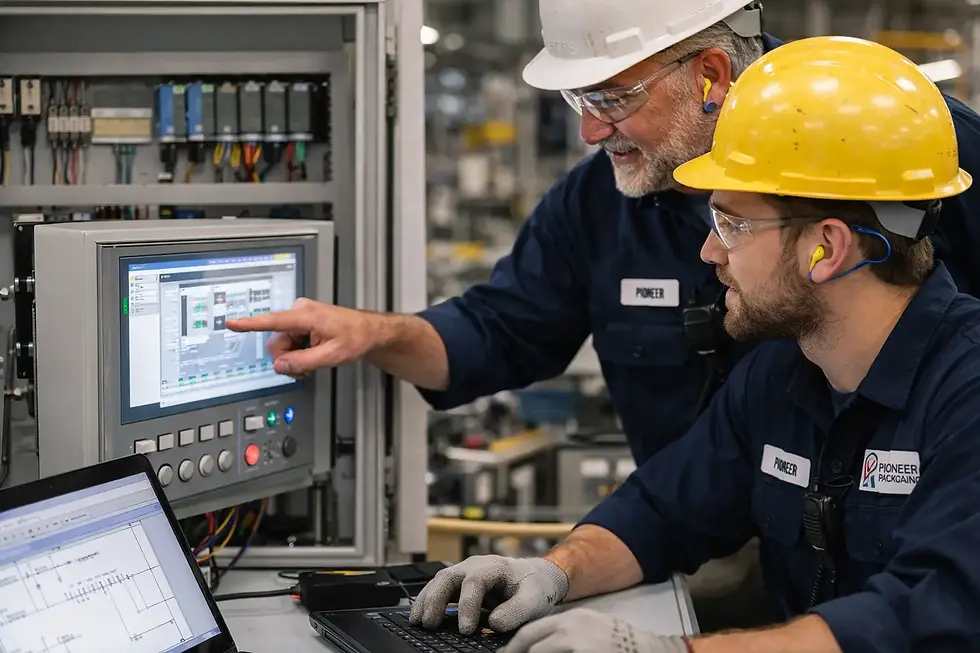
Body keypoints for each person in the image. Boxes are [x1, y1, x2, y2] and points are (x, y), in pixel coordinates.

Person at [405, 36, 980, 653]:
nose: (709, 251)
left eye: (732, 223)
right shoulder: (784, 373)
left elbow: (929, 614)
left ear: (827, 247)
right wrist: (553, 572)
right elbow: (663, 508)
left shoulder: (963, 397)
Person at [226, 1, 980, 469]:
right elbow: (499, 330)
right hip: (698, 536)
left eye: (612, 97)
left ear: (712, 73)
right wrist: (365, 331)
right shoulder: (598, 204)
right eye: (577, 99)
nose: (591, 130)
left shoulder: (913, 147)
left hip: (909, 553)